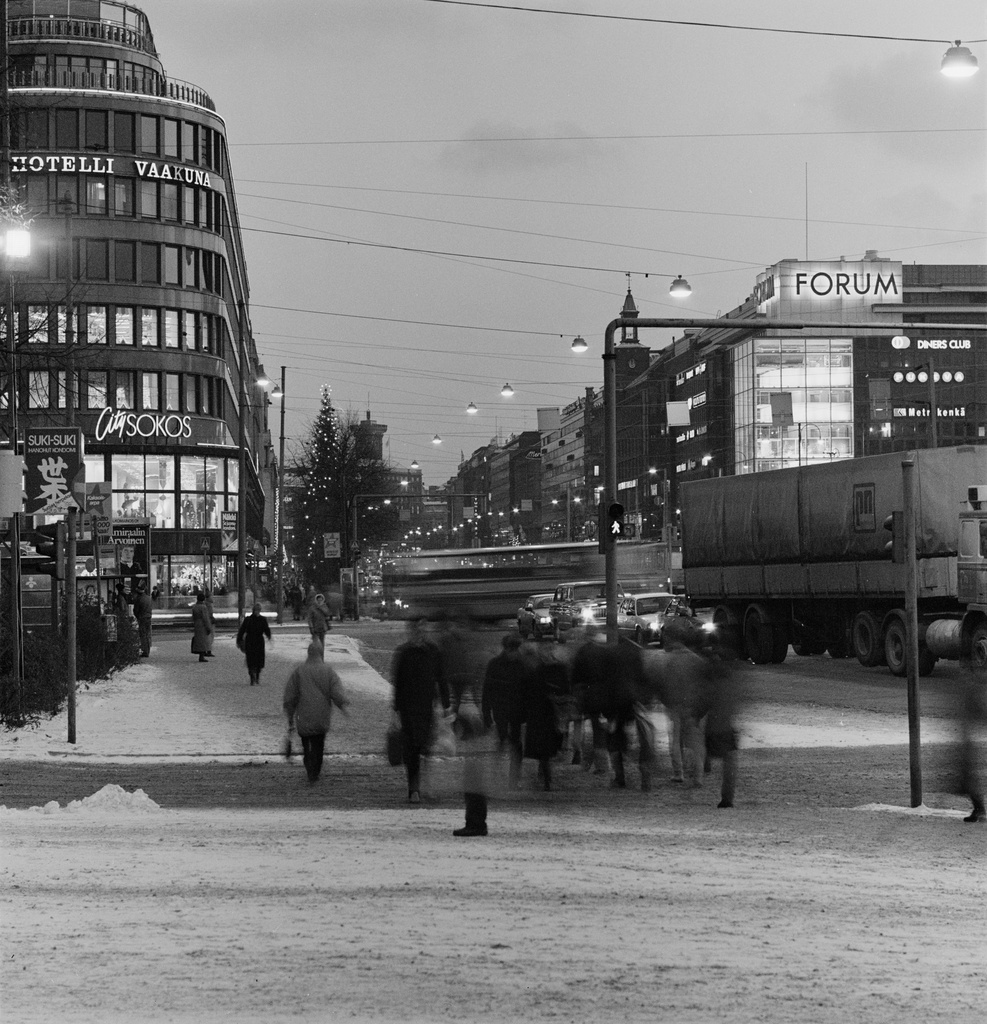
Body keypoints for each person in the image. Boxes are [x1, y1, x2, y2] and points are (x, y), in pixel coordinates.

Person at [440, 614, 491, 837]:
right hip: (478, 722)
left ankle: (475, 823)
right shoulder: (478, 653)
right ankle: (476, 821)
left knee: (473, 777)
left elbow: (464, 689)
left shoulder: (469, 657)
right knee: (473, 775)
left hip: (474, 724)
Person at [390, 618, 448, 804]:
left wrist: (445, 704)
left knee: (427, 747)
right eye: (418, 629)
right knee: (412, 748)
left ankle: (427, 787)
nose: (422, 633)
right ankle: (414, 789)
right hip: (408, 708)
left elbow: (441, 677)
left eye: (425, 629)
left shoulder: (433, 651)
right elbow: (397, 683)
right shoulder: (404, 653)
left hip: (427, 706)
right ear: (412, 631)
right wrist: (395, 710)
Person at [283, 641, 349, 784]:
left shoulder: (299, 671)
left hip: (304, 715)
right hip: (321, 715)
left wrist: (289, 713)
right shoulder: (328, 671)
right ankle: (316, 769)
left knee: (306, 743)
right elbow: (336, 691)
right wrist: (343, 705)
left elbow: (290, 695)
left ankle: (309, 766)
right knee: (319, 744)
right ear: (321, 653)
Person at [481, 633, 530, 789]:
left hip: (511, 709)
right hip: (506, 709)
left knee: (510, 742)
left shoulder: (497, 664)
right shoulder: (516, 665)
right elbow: (487, 690)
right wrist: (486, 713)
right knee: (507, 741)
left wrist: (487, 712)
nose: (514, 653)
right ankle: (508, 777)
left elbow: (487, 690)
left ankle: (511, 777)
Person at [523, 643, 567, 791]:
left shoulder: (538, 670)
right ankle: (545, 776)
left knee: (544, 748)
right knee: (547, 748)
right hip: (550, 713)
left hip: (541, 713)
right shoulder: (558, 670)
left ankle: (544, 775)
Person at [952, 664, 986, 823]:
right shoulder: (969, 689)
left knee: (967, 774)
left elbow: (980, 712)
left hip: (969, 737)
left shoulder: (973, 690)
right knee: (965, 775)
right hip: (966, 736)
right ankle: (978, 808)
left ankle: (979, 809)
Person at [237, 603, 272, 685]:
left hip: (252, 640)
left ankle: (253, 676)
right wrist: (269, 635)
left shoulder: (249, 619)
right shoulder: (261, 619)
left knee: (252, 659)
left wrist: (239, 639)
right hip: (257, 641)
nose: (257, 611)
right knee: (256, 660)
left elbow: (242, 630)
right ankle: (255, 676)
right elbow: (266, 629)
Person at [191, 590, 214, 663]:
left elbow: (193, 617)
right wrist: (208, 627)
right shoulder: (203, 607)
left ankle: (200, 655)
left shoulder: (195, 607)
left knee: (198, 640)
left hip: (197, 624)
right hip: (202, 625)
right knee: (203, 641)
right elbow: (205, 618)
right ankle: (202, 656)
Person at [132, 581, 154, 658]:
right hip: (148, 617)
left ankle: (144, 651)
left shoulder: (138, 599)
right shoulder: (148, 598)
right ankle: (147, 650)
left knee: (143, 635)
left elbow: (136, 610)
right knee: (147, 635)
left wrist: (137, 617)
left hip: (142, 618)